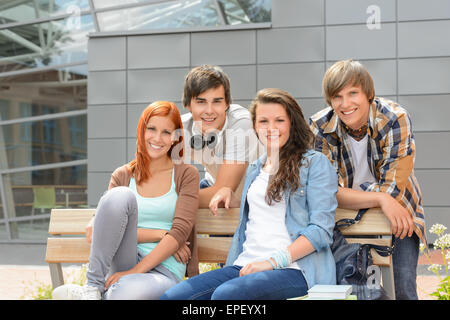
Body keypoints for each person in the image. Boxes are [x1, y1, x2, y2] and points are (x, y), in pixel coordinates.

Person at [160, 88, 338, 300]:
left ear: (292, 122)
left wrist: (271, 262)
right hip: (245, 265)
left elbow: (321, 230)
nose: (271, 128)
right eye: (263, 121)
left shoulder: (314, 163)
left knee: (227, 297)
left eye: (279, 120)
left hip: (297, 270)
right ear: (254, 126)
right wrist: (229, 193)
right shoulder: (255, 168)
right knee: (173, 298)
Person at [52, 101, 199, 300]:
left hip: (164, 270)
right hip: (123, 261)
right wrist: (162, 234)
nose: (157, 138)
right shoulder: (122, 175)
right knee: (121, 195)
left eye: (166, 132)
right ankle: (93, 288)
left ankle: (93, 295)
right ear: (142, 130)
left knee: (122, 294)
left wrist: (134, 272)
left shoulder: (186, 174)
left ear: (175, 137)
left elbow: (180, 232)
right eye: (152, 129)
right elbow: (97, 231)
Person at [309, 59, 426, 300]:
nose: (345, 104)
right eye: (337, 96)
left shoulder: (394, 119)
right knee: (357, 289)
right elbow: (326, 190)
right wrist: (379, 198)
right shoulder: (319, 127)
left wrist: (378, 198)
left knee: (403, 288)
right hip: (344, 220)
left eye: (353, 93)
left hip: (398, 214)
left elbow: (393, 189)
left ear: (368, 94)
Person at [181, 65, 261, 209]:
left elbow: (222, 192)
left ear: (227, 103)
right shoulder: (181, 128)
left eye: (217, 101)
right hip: (212, 185)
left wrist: (166, 202)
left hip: (253, 196)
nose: (209, 111)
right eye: (201, 102)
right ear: (188, 104)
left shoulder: (241, 124)